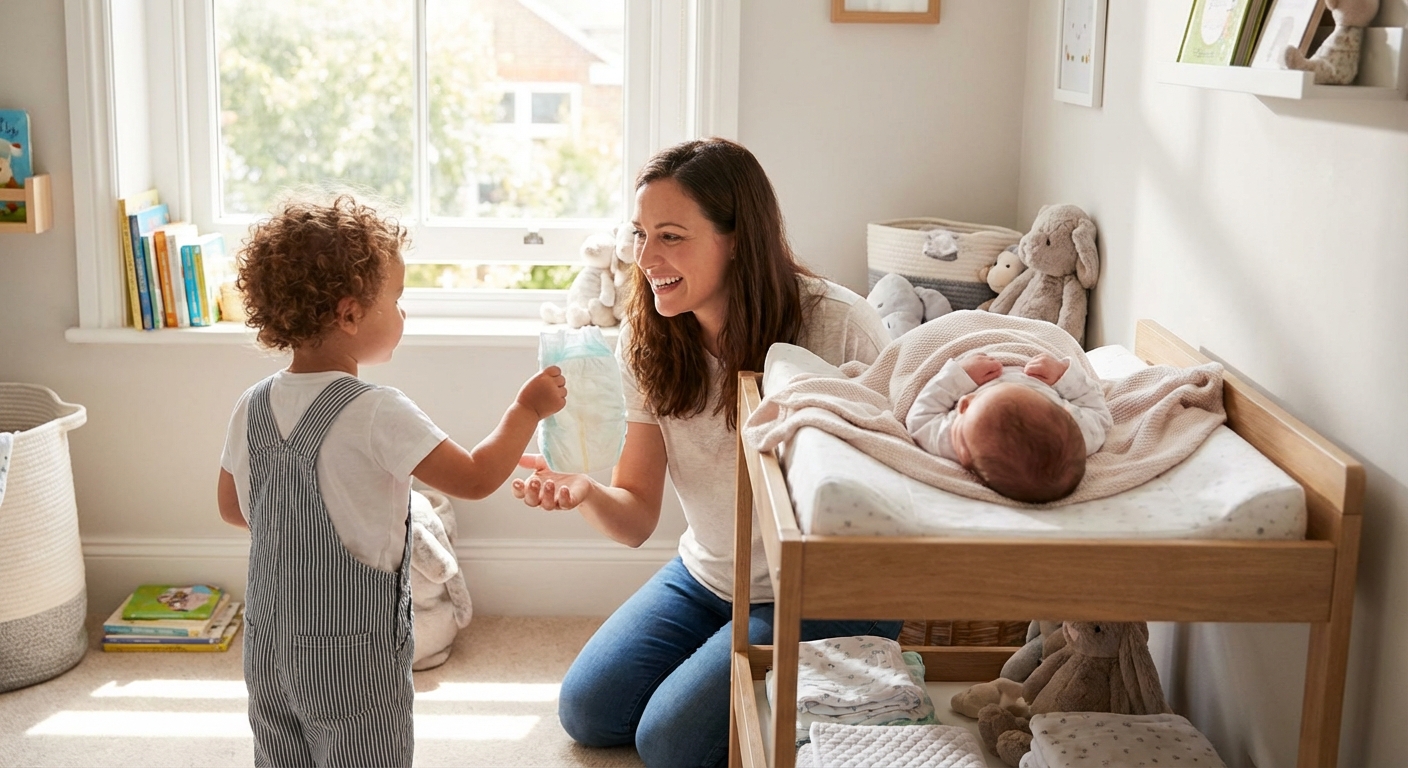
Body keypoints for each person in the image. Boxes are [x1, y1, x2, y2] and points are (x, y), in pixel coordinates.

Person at [511, 137, 903, 768]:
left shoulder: (838, 328)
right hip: (709, 575)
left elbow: (892, 494)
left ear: (737, 239)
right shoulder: (650, 336)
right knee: (587, 711)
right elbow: (637, 513)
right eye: (640, 234)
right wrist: (584, 491)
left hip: (820, 592)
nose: (647, 258)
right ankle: (730, 648)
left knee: (667, 743)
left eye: (671, 236)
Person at [216, 194, 567, 767]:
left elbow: (234, 508)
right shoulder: (377, 411)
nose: (405, 314)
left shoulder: (251, 406)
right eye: (398, 300)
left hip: (268, 646)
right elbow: (476, 478)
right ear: (351, 314)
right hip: (351, 656)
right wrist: (526, 410)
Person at [905, 350, 1113, 503]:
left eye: (968, 407)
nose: (964, 401)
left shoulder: (954, 439)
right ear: (1068, 414)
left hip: (971, 351)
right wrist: (1063, 376)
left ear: (964, 455)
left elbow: (919, 417)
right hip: (1033, 351)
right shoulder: (1076, 434)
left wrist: (960, 376)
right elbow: (1098, 411)